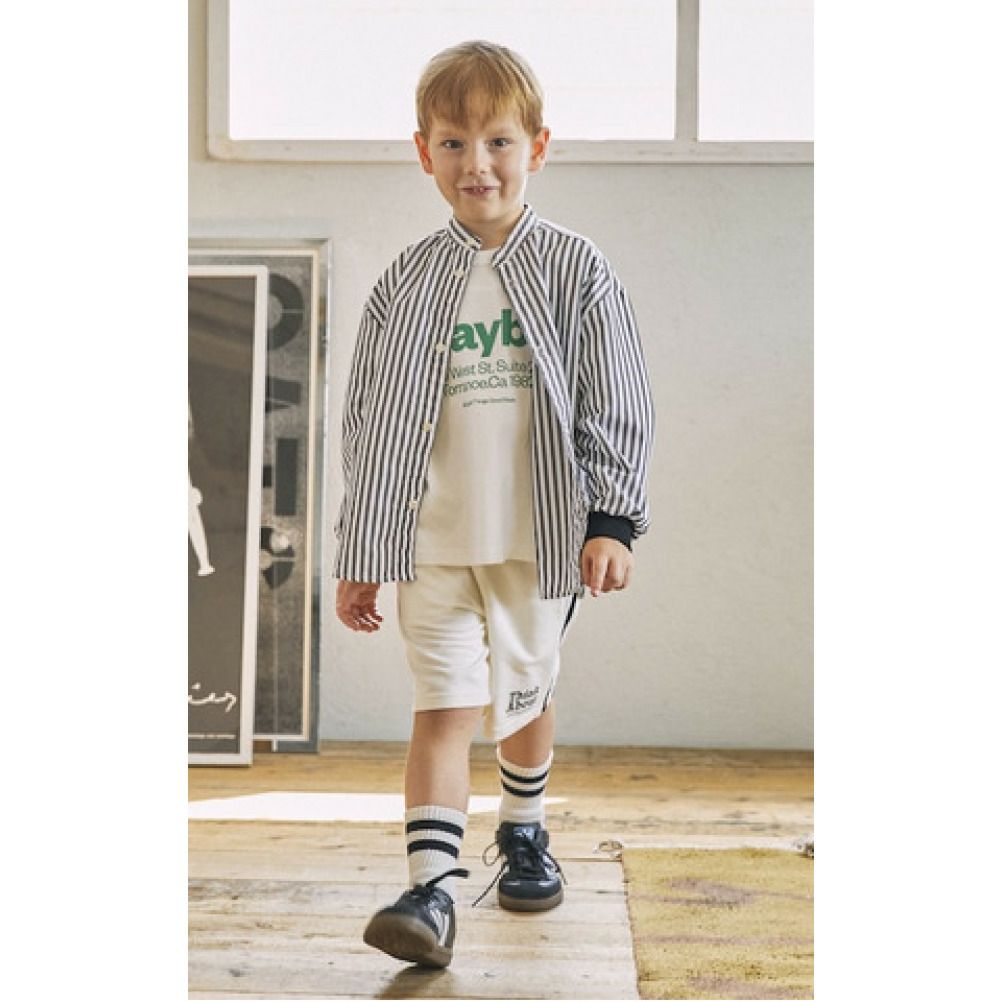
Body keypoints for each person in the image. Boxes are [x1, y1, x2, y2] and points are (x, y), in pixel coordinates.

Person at [333, 39, 654, 969]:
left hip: (538, 538)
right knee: (443, 706)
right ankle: (429, 893)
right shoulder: (405, 284)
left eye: (499, 142)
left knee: (525, 693)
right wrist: (364, 546)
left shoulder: (575, 269)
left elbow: (615, 398)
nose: (477, 164)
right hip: (432, 543)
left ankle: (523, 828)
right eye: (453, 143)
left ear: (537, 149)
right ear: (423, 153)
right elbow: (372, 421)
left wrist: (613, 520)